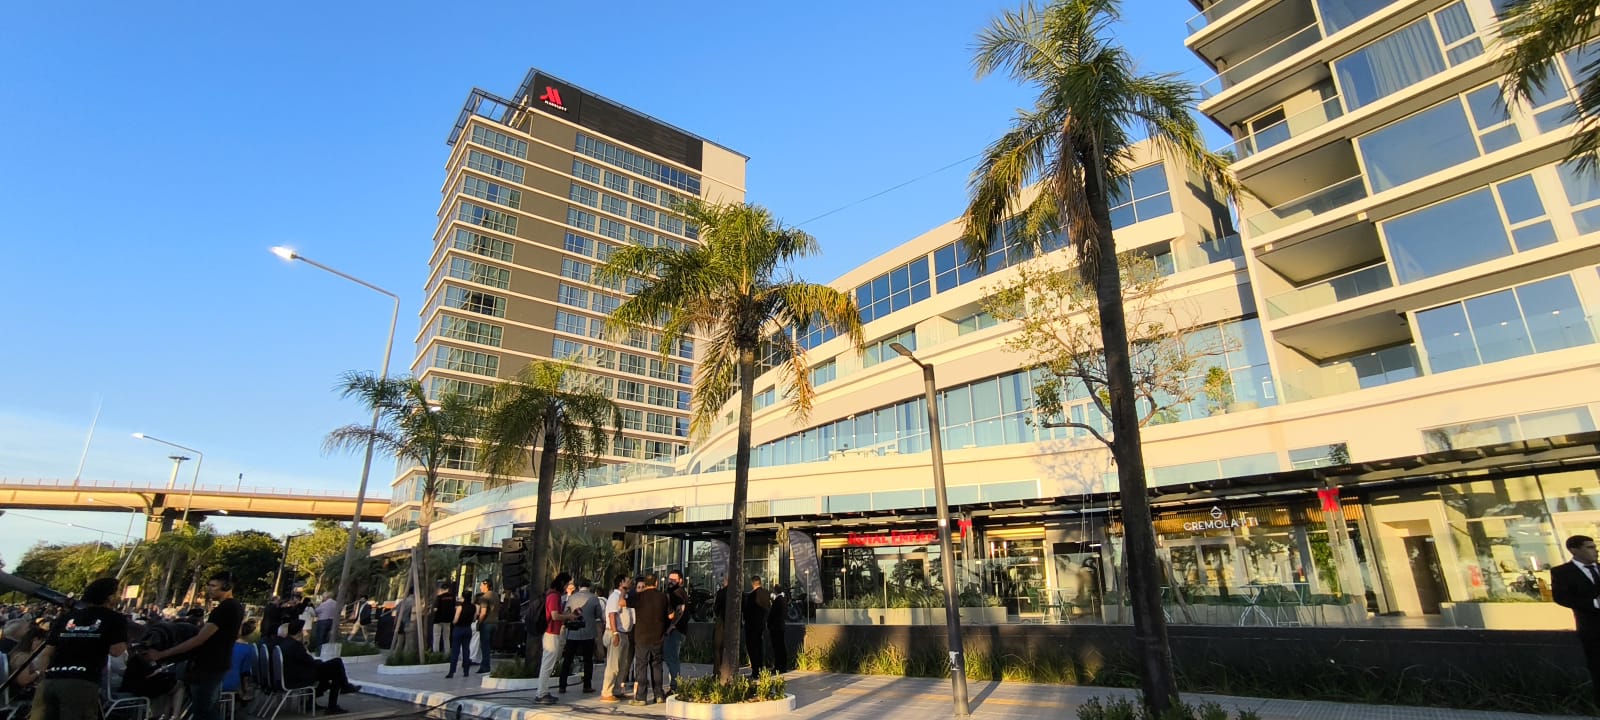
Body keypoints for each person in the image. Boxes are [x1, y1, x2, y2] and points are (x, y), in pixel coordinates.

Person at [149, 571, 245, 720]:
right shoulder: (236, 606)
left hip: (208, 666)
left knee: (204, 711)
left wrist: (163, 654)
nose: (209, 589)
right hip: (218, 663)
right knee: (207, 709)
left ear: (227, 587)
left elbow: (199, 640)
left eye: (213, 586)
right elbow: (237, 633)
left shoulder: (224, 609)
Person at [33, 577, 128, 720]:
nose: (120, 596)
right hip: (82, 682)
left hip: (50, 681)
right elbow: (116, 651)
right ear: (109, 597)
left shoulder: (67, 617)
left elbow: (46, 652)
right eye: (118, 593)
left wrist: (42, 678)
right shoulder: (115, 618)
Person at [1553, 534, 1600, 704]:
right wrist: (1594, 603)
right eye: (1590, 547)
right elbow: (1561, 597)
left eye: (1595, 547)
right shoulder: (1562, 572)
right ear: (1574, 550)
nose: (1595, 551)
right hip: (1592, 629)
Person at [277, 620, 360, 714]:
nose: (304, 632)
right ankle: (336, 701)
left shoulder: (285, 643)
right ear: (299, 632)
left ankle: (312, 702)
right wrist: (319, 662)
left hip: (293, 675)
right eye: (302, 630)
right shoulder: (296, 646)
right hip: (299, 677)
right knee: (336, 665)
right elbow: (310, 661)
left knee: (332, 671)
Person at [628, 574, 670, 707]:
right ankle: (659, 695)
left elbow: (622, 603)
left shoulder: (639, 596)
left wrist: (625, 590)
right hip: (658, 637)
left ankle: (641, 697)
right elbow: (671, 615)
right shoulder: (663, 597)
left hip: (641, 637)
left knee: (641, 666)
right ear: (656, 583)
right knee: (657, 665)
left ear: (645, 584)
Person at [532, 573, 573, 704]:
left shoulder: (552, 595)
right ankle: (541, 693)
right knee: (547, 665)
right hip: (551, 633)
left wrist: (566, 614)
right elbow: (554, 615)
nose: (567, 587)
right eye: (567, 584)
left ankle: (543, 691)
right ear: (562, 583)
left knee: (548, 664)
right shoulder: (554, 596)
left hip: (551, 633)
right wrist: (568, 616)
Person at [599, 574, 632, 702]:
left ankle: (617, 690)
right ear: (621, 583)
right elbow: (612, 615)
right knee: (613, 664)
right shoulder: (614, 596)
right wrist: (615, 633)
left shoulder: (624, 596)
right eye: (628, 580)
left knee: (622, 664)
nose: (630, 582)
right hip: (616, 632)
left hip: (624, 633)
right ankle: (606, 691)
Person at [663, 571, 690, 692]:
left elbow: (680, 609)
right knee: (671, 658)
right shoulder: (674, 592)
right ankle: (674, 685)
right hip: (676, 631)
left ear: (680, 581)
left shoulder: (678, 593)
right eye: (669, 579)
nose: (671, 582)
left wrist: (672, 626)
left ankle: (675, 687)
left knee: (672, 658)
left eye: (674, 580)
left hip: (676, 631)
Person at [221, 620, 259, 703]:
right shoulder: (248, 649)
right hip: (231, 683)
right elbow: (245, 673)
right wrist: (245, 689)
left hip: (214, 681)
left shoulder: (222, 645)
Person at [445, 585, 476, 679]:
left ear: (463, 597)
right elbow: (474, 619)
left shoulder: (460, 607)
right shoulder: (473, 607)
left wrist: (453, 623)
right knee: (466, 650)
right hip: (468, 629)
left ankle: (452, 671)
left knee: (455, 650)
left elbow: (456, 619)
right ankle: (466, 671)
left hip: (459, 629)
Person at [742, 577, 772, 672]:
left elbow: (747, 611)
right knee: (760, 646)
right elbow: (768, 608)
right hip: (762, 624)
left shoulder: (752, 596)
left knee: (752, 647)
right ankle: (761, 665)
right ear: (760, 582)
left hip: (752, 625)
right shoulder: (766, 593)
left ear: (752, 584)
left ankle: (755, 669)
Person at [474, 581, 498, 675]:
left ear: (486, 586)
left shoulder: (484, 597)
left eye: (481, 585)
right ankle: (486, 665)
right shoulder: (495, 595)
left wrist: (479, 622)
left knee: (485, 646)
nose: (480, 587)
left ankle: (485, 666)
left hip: (486, 623)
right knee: (488, 646)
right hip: (494, 622)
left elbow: (483, 612)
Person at [767, 585, 789, 673]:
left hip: (775, 627)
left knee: (777, 647)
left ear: (775, 590)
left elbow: (772, 614)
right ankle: (783, 666)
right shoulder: (783, 600)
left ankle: (778, 666)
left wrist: (768, 623)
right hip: (781, 626)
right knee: (781, 646)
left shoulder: (777, 600)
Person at [711, 577, 729, 678]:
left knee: (717, 647)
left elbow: (716, 608)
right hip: (733, 624)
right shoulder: (739, 593)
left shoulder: (721, 593)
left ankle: (717, 671)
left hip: (722, 622)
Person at [432, 584, 456, 654]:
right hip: (448, 620)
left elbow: (435, 609)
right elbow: (454, 607)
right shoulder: (452, 597)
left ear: (441, 589)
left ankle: (436, 654)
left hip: (438, 620)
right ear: (448, 589)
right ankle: (447, 653)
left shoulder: (439, 597)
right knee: (446, 638)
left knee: (436, 637)